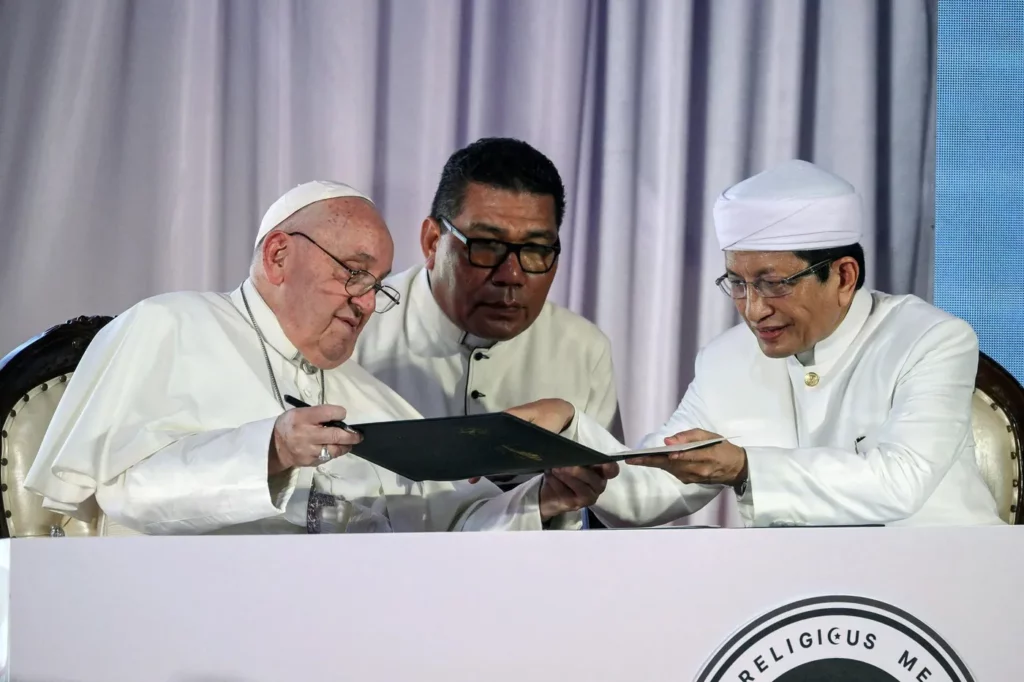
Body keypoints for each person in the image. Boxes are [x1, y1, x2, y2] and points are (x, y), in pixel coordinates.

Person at [24, 181, 617, 535]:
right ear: (279, 256)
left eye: (379, 284)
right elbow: (122, 493)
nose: (366, 302)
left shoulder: (369, 396)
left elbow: (442, 526)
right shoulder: (171, 325)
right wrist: (271, 451)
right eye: (353, 273)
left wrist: (540, 499)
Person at [525, 159, 1003, 527]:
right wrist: (568, 434)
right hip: (796, 606)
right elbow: (650, 490)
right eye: (736, 283)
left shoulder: (930, 340)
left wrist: (745, 467)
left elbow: (901, 482)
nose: (753, 309)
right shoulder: (725, 360)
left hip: (945, 594)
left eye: (774, 283)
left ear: (843, 276)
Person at [353, 138, 623, 454]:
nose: (511, 275)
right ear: (432, 242)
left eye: (536, 250)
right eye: (487, 246)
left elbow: (611, 494)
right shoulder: (356, 327)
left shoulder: (583, 350)